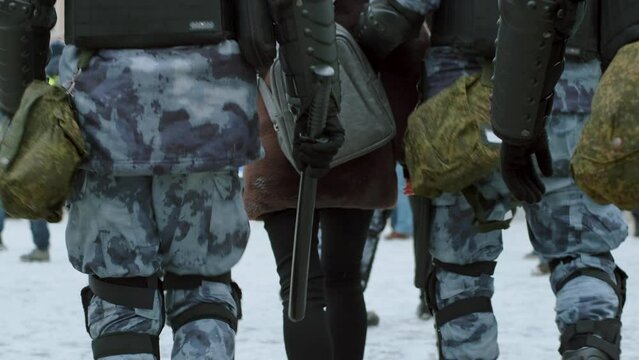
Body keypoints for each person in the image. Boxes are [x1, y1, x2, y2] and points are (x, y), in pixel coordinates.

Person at [0, 1, 343, 359]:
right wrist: (317, 102)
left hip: (104, 108)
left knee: (121, 297)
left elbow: (17, 7)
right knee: (203, 289)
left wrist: (20, 113)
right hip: (211, 108)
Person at [414, 1, 629, 360]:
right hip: (571, 84)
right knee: (582, 251)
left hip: (460, 95)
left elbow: (391, 17)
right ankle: (590, 344)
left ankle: (470, 352)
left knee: (461, 266)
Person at [242, 0, 430, 358]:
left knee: (298, 286)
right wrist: (406, 148)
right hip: (360, 137)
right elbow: (408, 54)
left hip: (281, 139)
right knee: (344, 281)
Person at [491, 1, 635, 359]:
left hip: (564, 79)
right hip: (606, 76)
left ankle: (589, 345)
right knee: (583, 251)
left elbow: (532, 12)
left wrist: (518, 129)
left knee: (462, 276)